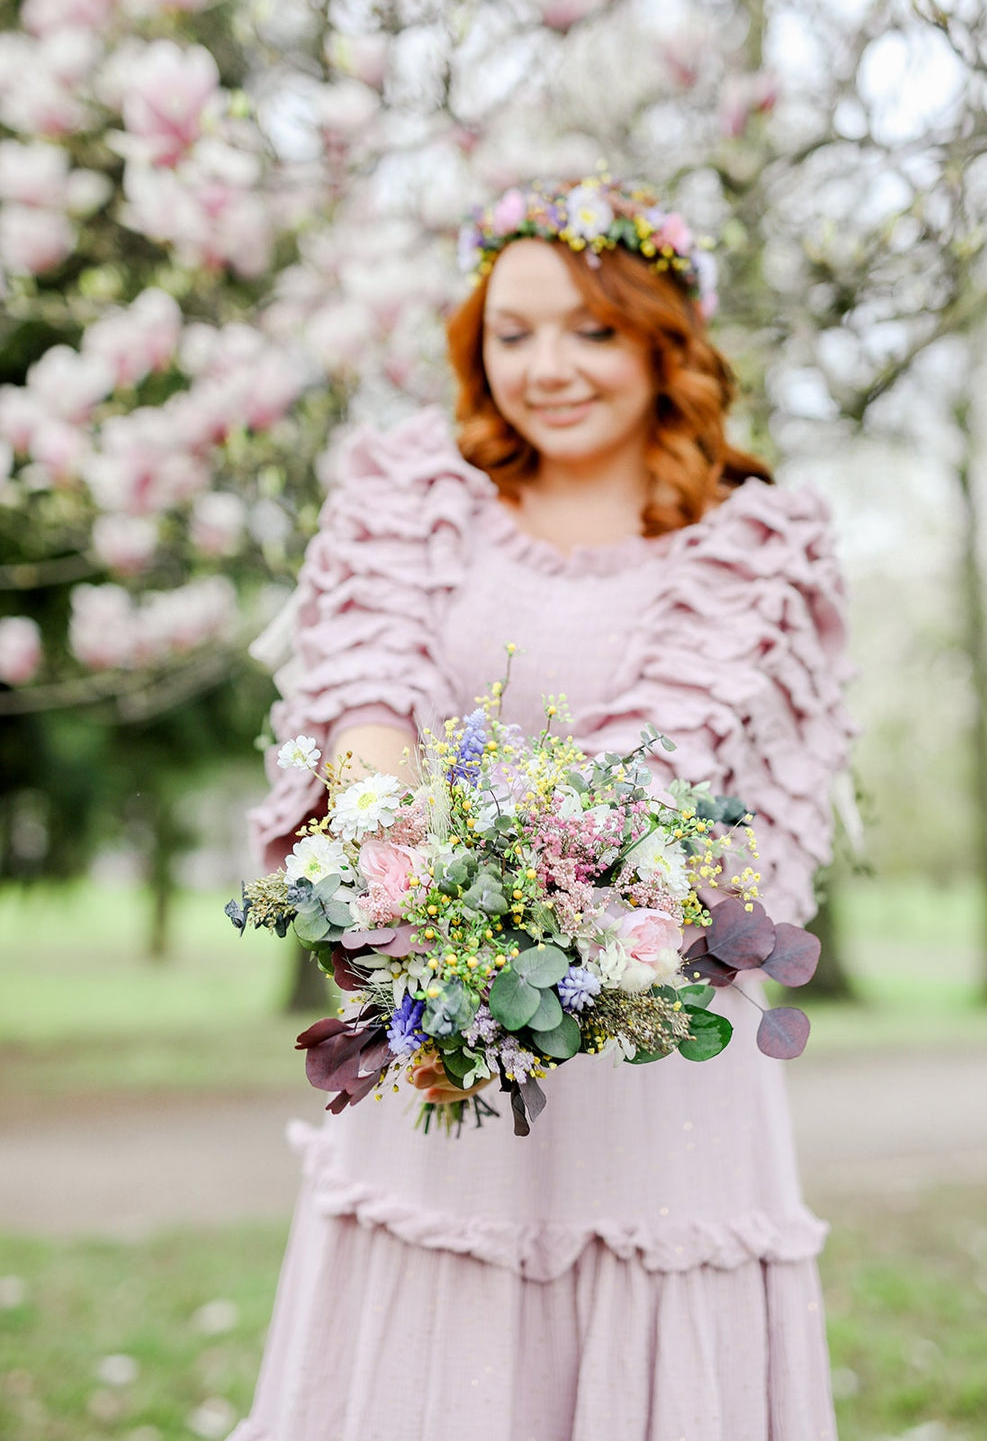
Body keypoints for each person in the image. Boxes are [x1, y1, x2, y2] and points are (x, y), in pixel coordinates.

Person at [230, 176, 854, 1441]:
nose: (545, 368)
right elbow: (365, 693)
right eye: (510, 334)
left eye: (588, 329)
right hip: (443, 1041)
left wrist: (572, 906)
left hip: (653, 1061)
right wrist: (409, 875)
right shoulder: (413, 496)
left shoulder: (759, 546)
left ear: (661, 336)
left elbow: (701, 794)